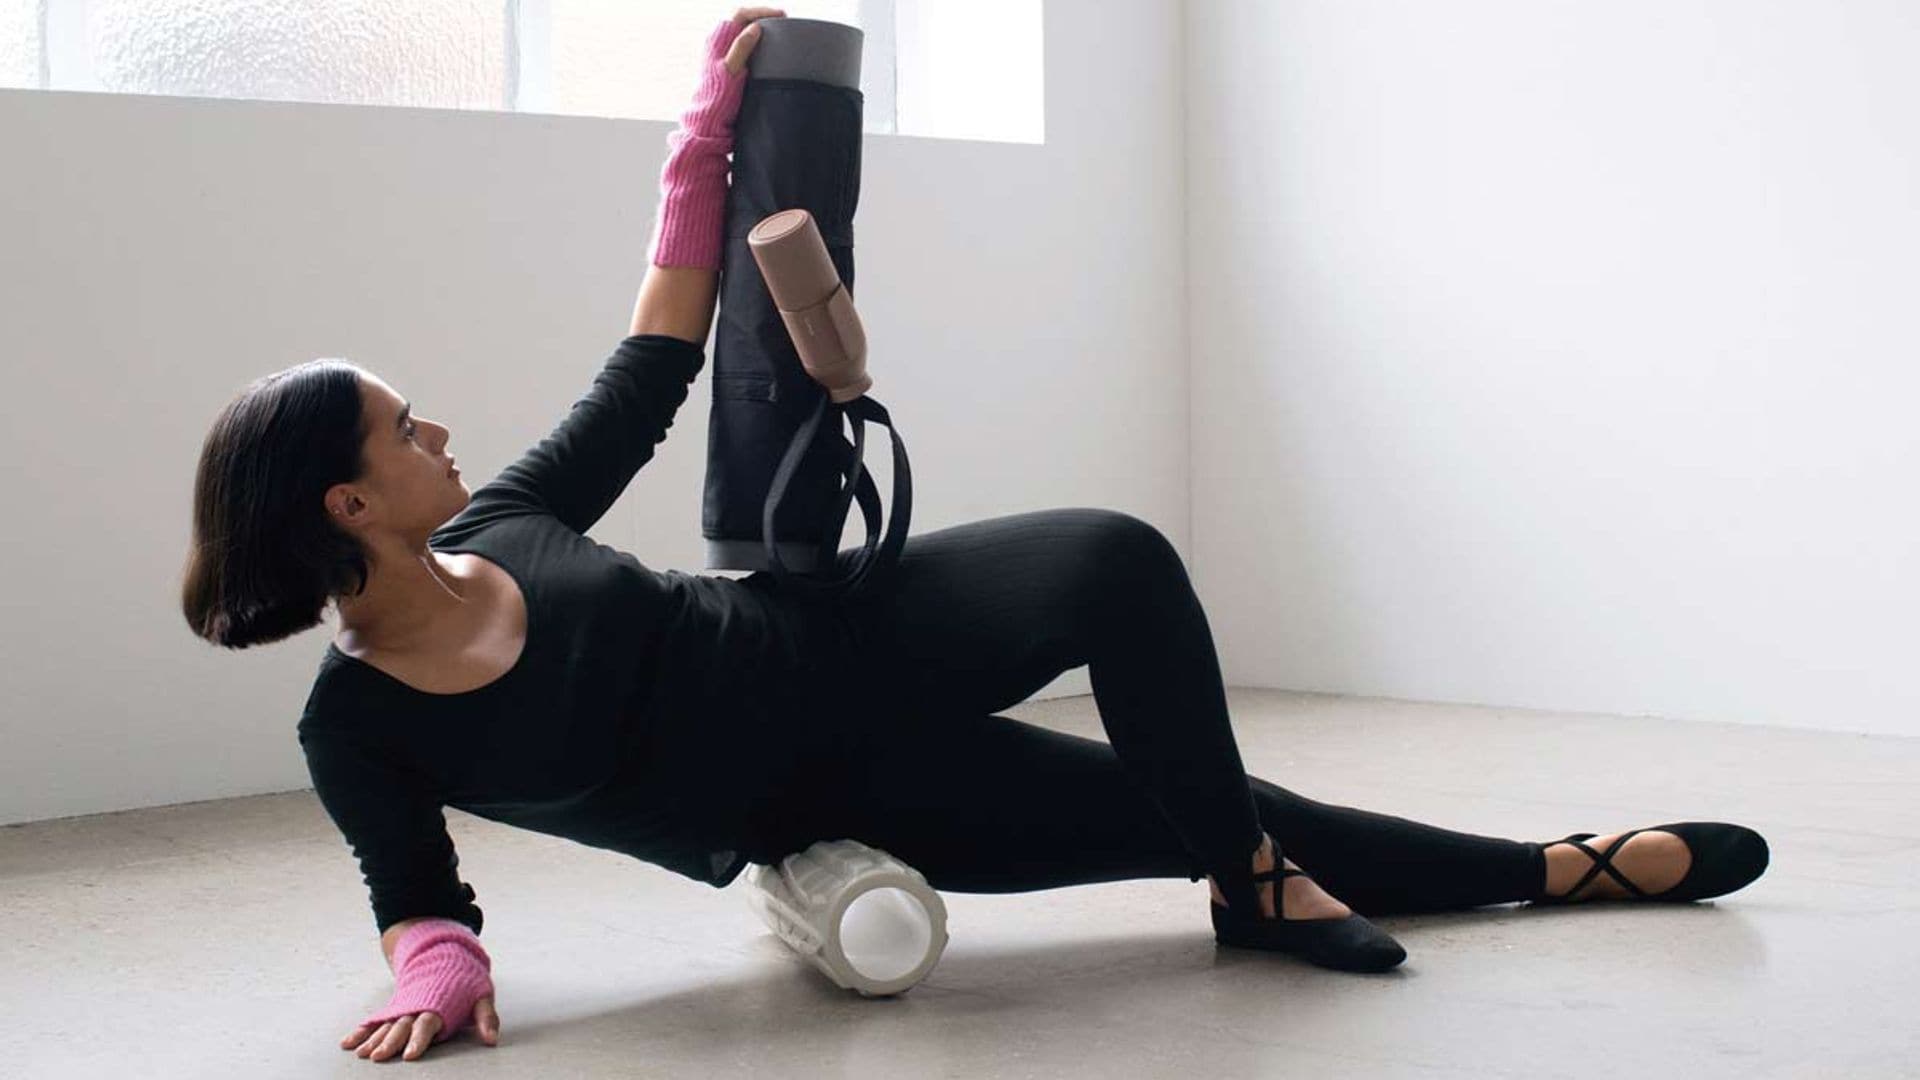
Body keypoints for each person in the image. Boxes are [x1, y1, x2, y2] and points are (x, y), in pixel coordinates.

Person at [178, 8, 1769, 1065]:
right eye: (403, 430)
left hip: (832, 638)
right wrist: (437, 976)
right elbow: (419, 897)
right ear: (346, 504)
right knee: (1213, 809)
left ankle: (1256, 886)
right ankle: (1550, 872)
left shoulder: (508, 524)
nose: (438, 432)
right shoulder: (358, 725)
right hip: (842, 798)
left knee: (1116, 558)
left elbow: (651, 362)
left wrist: (703, 145)